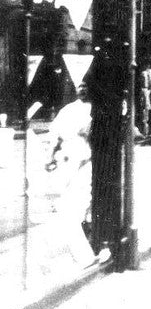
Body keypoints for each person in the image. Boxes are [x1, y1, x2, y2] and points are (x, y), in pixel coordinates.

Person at [45, 83, 98, 264]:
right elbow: (56, 136)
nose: (82, 89)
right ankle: (86, 255)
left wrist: (50, 157)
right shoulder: (80, 110)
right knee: (76, 209)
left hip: (76, 162)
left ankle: (87, 252)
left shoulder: (73, 110)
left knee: (76, 209)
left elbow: (55, 136)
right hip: (78, 161)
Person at [137, 53, 151, 141]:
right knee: (145, 111)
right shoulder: (144, 73)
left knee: (147, 111)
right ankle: (145, 132)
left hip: (148, 91)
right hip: (145, 91)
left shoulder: (150, 72)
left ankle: (147, 132)